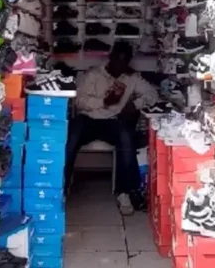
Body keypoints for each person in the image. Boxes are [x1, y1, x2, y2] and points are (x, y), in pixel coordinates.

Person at [65, 40, 157, 215]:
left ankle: (125, 192)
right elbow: (79, 101)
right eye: (117, 60)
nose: (120, 65)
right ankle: (61, 185)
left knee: (126, 137)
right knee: (70, 135)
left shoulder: (131, 77)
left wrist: (135, 104)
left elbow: (153, 94)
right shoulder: (93, 74)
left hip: (112, 121)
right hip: (88, 119)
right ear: (111, 57)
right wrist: (104, 102)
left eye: (124, 62)